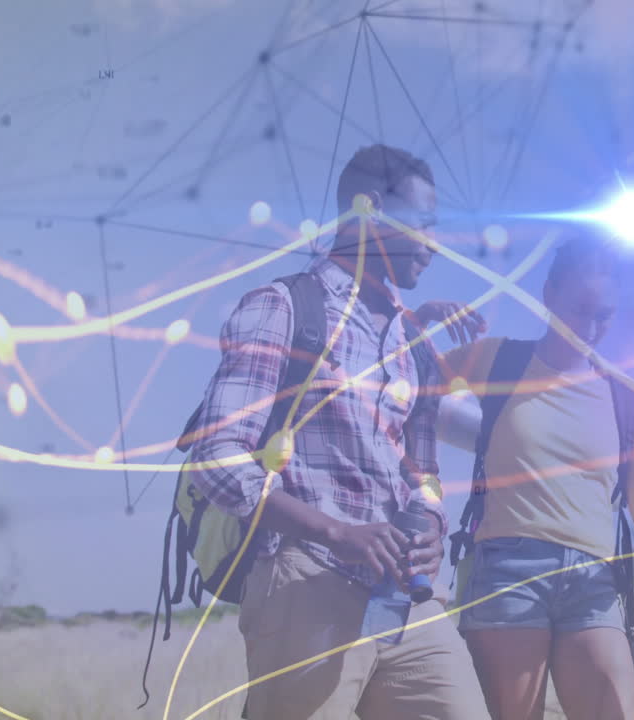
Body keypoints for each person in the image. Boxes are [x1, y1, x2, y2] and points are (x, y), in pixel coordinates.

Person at [187, 144, 490, 719]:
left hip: (406, 599)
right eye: (424, 224)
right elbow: (217, 455)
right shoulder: (282, 308)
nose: (434, 243)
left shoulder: (412, 344)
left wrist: (429, 520)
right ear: (371, 209)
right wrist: (335, 531)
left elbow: (422, 470)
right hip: (305, 581)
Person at [426, 233, 634, 720]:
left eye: (605, 315)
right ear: (548, 294)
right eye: (582, 309)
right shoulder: (498, 359)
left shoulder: (624, 397)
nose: (593, 326)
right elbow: (399, 389)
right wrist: (418, 320)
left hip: (594, 582)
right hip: (507, 572)